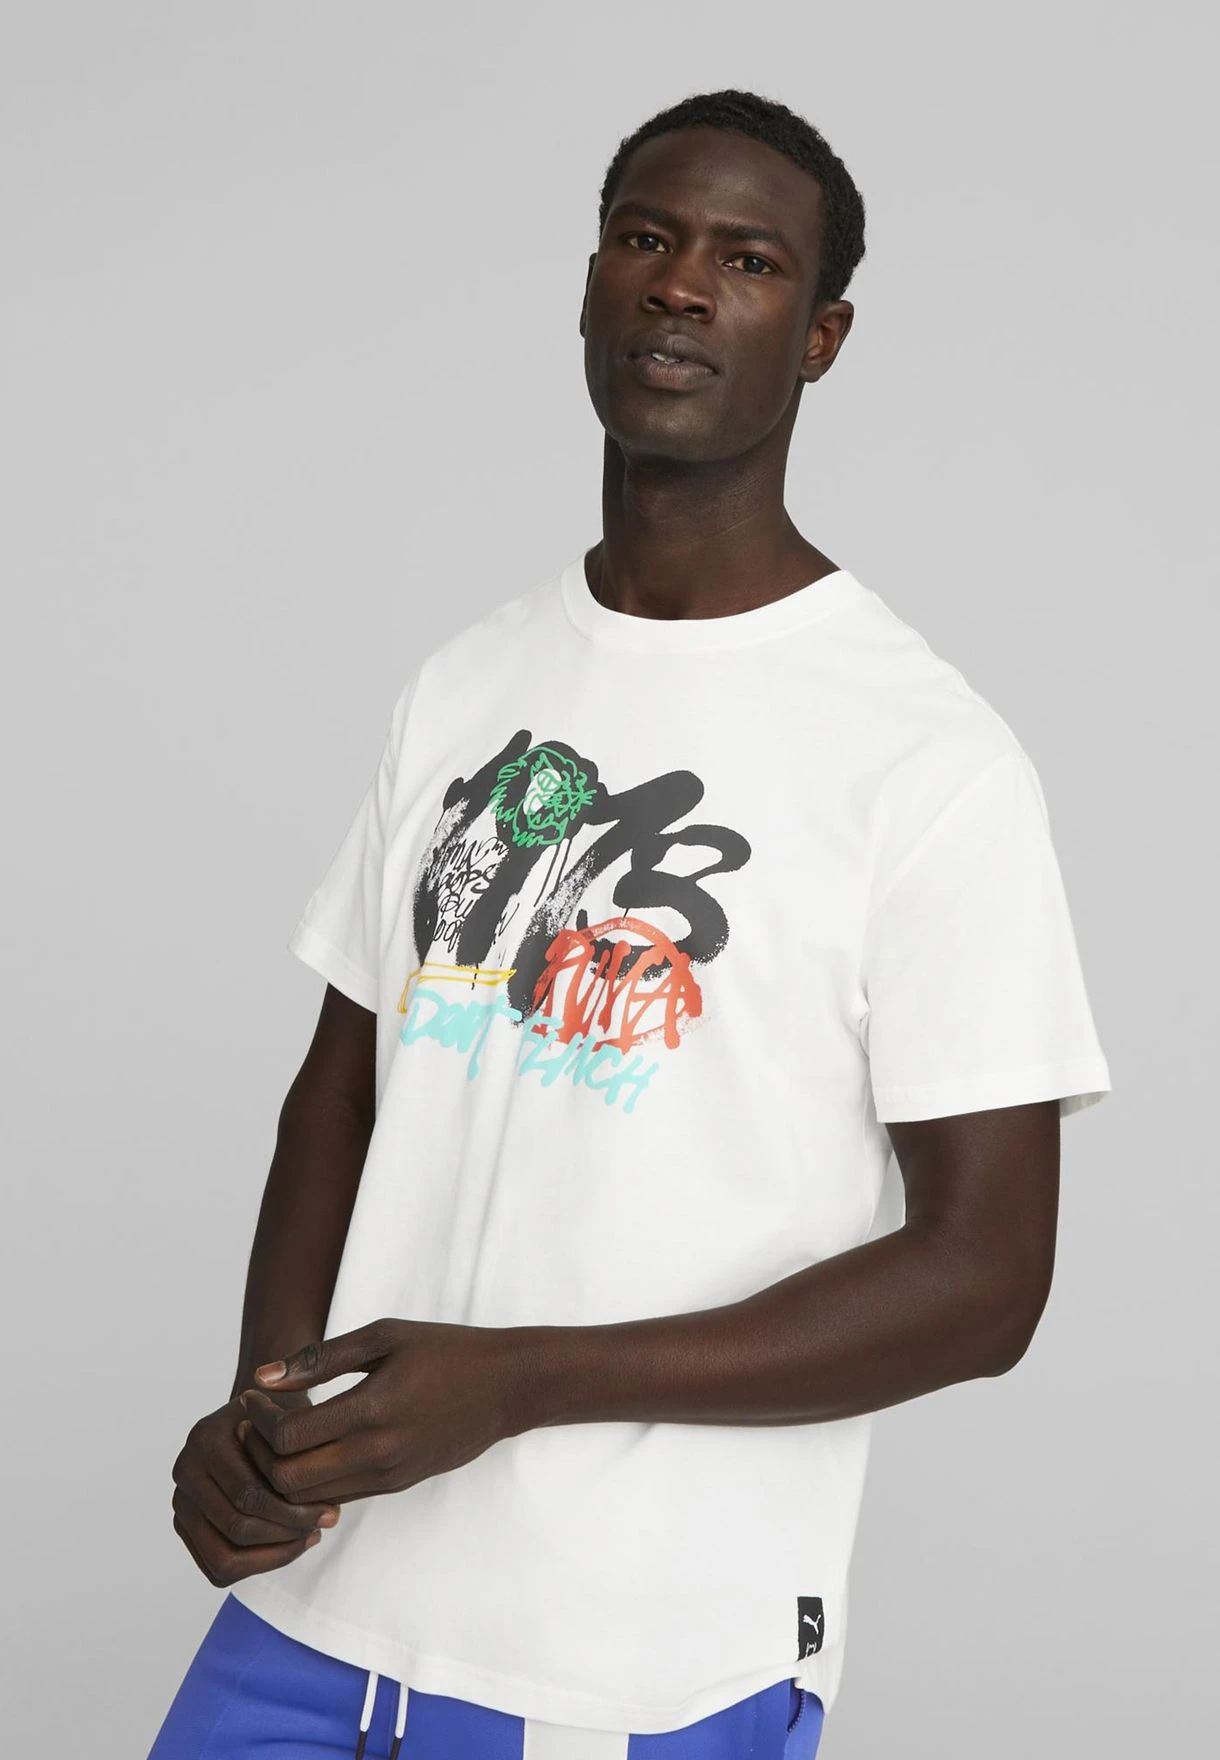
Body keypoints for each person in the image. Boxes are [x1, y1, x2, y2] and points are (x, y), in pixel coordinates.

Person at [149, 87, 1111, 1760]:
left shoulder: (925, 758)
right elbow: (342, 1093)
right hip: (316, 1617)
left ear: (821, 338)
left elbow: (986, 1279)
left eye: (748, 260)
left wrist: (523, 1378)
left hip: (631, 1665)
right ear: (591, 284)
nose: (681, 284)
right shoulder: (468, 684)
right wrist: (268, 1413)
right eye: (647, 239)